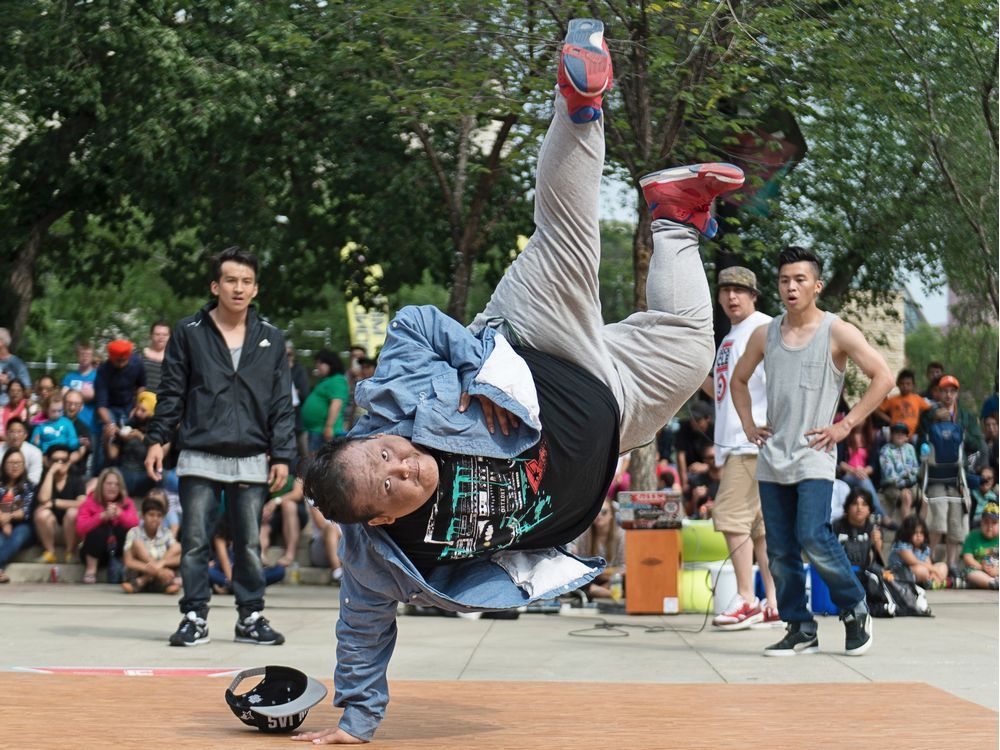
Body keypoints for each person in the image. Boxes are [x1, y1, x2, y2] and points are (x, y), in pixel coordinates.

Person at [296, 21, 728, 743]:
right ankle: (676, 216)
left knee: (569, 237)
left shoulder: (390, 405)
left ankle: (578, 101)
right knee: (691, 350)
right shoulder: (384, 562)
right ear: (377, 519)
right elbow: (360, 637)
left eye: (385, 455)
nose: (402, 464)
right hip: (614, 412)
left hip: (535, 344)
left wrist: (472, 365)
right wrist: (359, 724)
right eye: (391, 484)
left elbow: (412, 321)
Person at [731, 244, 893, 657]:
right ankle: (799, 627)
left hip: (815, 454)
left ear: (816, 286)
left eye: (800, 279)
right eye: (785, 280)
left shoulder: (836, 331)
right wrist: (749, 424)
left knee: (814, 536)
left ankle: (855, 608)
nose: (791, 287)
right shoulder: (764, 334)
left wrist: (846, 424)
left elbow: (882, 376)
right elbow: (739, 379)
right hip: (772, 458)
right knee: (781, 549)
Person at [144, 245, 296, 648]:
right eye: (231, 280)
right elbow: (171, 392)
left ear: (256, 288)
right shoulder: (188, 333)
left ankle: (251, 618)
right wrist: (158, 439)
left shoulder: (271, 339)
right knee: (194, 541)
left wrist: (283, 454)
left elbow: (281, 403)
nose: (239, 288)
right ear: (216, 285)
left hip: (251, 457)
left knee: (248, 544)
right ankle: (194, 617)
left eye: (246, 281)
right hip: (199, 453)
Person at [702, 265, 779, 630]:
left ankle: (747, 598)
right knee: (760, 530)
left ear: (754, 295)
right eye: (726, 290)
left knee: (731, 516)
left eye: (740, 290)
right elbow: (722, 390)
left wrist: (769, 425)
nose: (732, 296)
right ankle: (774, 603)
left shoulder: (762, 329)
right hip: (743, 442)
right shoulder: (733, 335)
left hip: (749, 443)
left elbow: (780, 382)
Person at [75, 467, 138, 584]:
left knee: (124, 530)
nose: (112, 487)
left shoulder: (127, 502)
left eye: (116, 484)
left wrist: (120, 514)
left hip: (118, 551)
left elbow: (135, 525)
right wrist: (101, 517)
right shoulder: (89, 502)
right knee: (97, 530)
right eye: (109, 483)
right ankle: (91, 570)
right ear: (101, 485)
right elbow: (80, 528)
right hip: (94, 552)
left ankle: (124, 569)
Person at [94, 339, 147, 473]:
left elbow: (142, 385)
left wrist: (138, 404)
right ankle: (101, 472)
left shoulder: (137, 363)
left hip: (130, 405)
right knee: (107, 435)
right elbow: (101, 406)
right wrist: (114, 428)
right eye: (118, 360)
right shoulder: (103, 371)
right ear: (111, 358)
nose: (122, 363)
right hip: (110, 407)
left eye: (125, 360)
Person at [33, 444, 87, 564]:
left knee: (72, 512)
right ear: (48, 462)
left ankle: (70, 552)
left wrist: (54, 503)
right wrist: (51, 473)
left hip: (73, 530)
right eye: (55, 460)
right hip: (51, 530)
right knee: (42, 513)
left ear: (69, 462)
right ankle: (50, 552)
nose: (60, 463)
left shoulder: (76, 480)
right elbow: (43, 499)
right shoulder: (44, 479)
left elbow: (81, 504)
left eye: (64, 460)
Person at [122, 493, 181, 594]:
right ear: (143, 516)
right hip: (139, 572)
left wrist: (161, 563)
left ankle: (142, 582)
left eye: (159, 516)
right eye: (151, 515)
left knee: (177, 547)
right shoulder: (134, 532)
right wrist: (157, 571)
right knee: (137, 544)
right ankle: (144, 580)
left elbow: (179, 556)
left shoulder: (166, 532)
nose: (155, 519)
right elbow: (128, 561)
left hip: (157, 574)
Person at [570, 498, 625, 599]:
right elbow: (581, 567)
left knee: (628, 578)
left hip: (615, 579)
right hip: (593, 578)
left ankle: (596, 592)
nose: (599, 516)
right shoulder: (585, 536)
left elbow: (624, 567)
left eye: (604, 512)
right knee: (574, 579)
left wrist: (607, 580)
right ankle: (608, 593)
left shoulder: (621, 535)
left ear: (611, 515)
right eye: (596, 512)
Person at [107, 391, 158, 499]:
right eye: (137, 408)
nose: (138, 413)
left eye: (143, 410)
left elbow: (160, 454)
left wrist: (140, 436)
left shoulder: (156, 431)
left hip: (145, 475)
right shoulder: (128, 426)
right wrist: (107, 438)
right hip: (124, 472)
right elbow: (112, 454)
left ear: (151, 413)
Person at [916, 375, 983, 456]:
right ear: (939, 392)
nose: (948, 395)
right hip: (934, 461)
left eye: (952, 391)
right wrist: (934, 422)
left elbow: (978, 444)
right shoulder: (927, 415)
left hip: (959, 462)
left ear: (957, 393)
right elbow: (920, 446)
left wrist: (963, 435)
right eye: (945, 391)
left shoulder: (967, 416)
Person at [301, 349, 349, 455]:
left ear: (331, 364)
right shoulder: (326, 381)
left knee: (321, 463)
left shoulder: (337, 380)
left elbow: (336, 403)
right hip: (317, 430)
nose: (317, 366)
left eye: (321, 363)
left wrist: (329, 427)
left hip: (324, 431)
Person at [0, 449, 37, 583]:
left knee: (17, 535)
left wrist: (7, 518)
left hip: (24, 526)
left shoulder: (29, 486)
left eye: (18, 463)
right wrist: (4, 522)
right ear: (4, 464)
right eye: (11, 462)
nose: (15, 466)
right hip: (2, 525)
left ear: (23, 465)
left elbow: (25, 511)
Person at [259, 474, 308, 568]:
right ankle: (261, 555)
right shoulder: (265, 467)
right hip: (273, 515)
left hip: (295, 513)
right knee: (263, 525)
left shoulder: (295, 464)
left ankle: (290, 554)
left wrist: (276, 501)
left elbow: (297, 494)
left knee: (288, 505)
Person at [836, 420, 884, 515]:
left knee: (863, 479)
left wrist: (863, 471)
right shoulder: (844, 436)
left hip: (863, 474)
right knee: (863, 480)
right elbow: (839, 462)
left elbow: (873, 465)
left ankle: (875, 514)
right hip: (847, 474)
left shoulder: (871, 438)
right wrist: (854, 471)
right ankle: (881, 515)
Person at [888, 514, 947, 588]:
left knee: (943, 566)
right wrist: (935, 570)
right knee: (922, 571)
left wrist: (934, 571)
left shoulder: (924, 548)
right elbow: (913, 562)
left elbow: (928, 563)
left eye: (921, 533)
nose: (919, 536)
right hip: (899, 572)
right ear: (907, 532)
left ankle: (932, 581)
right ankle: (933, 581)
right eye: (915, 533)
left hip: (921, 572)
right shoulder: (902, 545)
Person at [832, 487, 883, 571]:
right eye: (855, 503)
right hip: (839, 572)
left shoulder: (873, 528)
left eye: (864, 504)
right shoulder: (836, 526)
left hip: (864, 573)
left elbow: (877, 557)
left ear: (869, 510)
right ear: (848, 507)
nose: (859, 508)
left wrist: (877, 542)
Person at [879, 422, 920, 522]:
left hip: (910, 484)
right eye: (897, 433)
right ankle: (907, 531)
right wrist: (906, 482)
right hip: (891, 486)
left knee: (925, 499)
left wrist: (909, 480)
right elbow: (890, 476)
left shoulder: (910, 448)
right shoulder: (885, 450)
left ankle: (918, 528)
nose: (900, 435)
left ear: (907, 437)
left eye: (903, 433)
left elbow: (916, 469)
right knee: (906, 497)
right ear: (892, 436)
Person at [874, 369, 929, 439]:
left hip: (913, 435)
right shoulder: (893, 400)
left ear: (913, 385)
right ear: (898, 384)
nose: (905, 386)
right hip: (896, 435)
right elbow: (877, 410)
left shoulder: (917, 399)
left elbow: (928, 409)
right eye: (902, 384)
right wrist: (889, 420)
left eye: (908, 384)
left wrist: (919, 414)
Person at [674, 400, 714, 496]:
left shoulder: (715, 431)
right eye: (692, 419)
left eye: (697, 420)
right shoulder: (684, 428)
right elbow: (680, 456)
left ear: (707, 418)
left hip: (711, 471)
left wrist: (706, 467)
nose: (693, 422)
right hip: (689, 473)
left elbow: (721, 457)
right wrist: (684, 483)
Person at [960, 501, 999, 589]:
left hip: (997, 570)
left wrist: (997, 570)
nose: (989, 526)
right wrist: (981, 567)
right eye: (986, 522)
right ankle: (992, 583)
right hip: (979, 569)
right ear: (981, 522)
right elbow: (967, 557)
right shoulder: (973, 536)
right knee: (970, 572)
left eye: (994, 523)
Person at [61, 341, 98, 432]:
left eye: (88, 354)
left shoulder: (98, 376)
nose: (85, 357)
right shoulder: (69, 377)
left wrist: (74, 393)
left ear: (92, 356)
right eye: (82, 354)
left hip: (91, 425)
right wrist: (84, 395)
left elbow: (97, 396)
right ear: (77, 356)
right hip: (70, 425)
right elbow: (64, 396)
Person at [308, 501, 343, 585]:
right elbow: (321, 525)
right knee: (331, 528)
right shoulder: (315, 496)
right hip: (321, 549)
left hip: (343, 544)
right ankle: (337, 572)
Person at [286, 342, 312, 457]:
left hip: (299, 418)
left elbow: (304, 392)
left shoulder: (299, 370)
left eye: (289, 354)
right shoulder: (276, 369)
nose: (287, 356)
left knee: (304, 451)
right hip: (283, 418)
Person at [0, 417, 43, 484]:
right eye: (12, 432)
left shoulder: (35, 452)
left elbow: (35, 479)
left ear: (25, 435)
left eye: (19, 432)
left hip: (26, 490)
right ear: (6, 434)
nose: (15, 436)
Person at [62, 389, 93, 478]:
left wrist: (62, 464)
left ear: (81, 407)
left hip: (75, 475)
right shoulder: (54, 423)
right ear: (63, 403)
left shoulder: (84, 429)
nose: (72, 407)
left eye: (76, 404)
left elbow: (81, 452)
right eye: (69, 403)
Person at [0, 327, 31, 408]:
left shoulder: (17, 364)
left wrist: (9, 383)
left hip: (10, 408)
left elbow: (28, 392)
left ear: (1, 343)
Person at [142, 321, 171, 394]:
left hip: (164, 402)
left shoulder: (175, 359)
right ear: (151, 336)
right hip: (141, 402)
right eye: (157, 334)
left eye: (165, 335)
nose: (161, 337)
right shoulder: (139, 355)